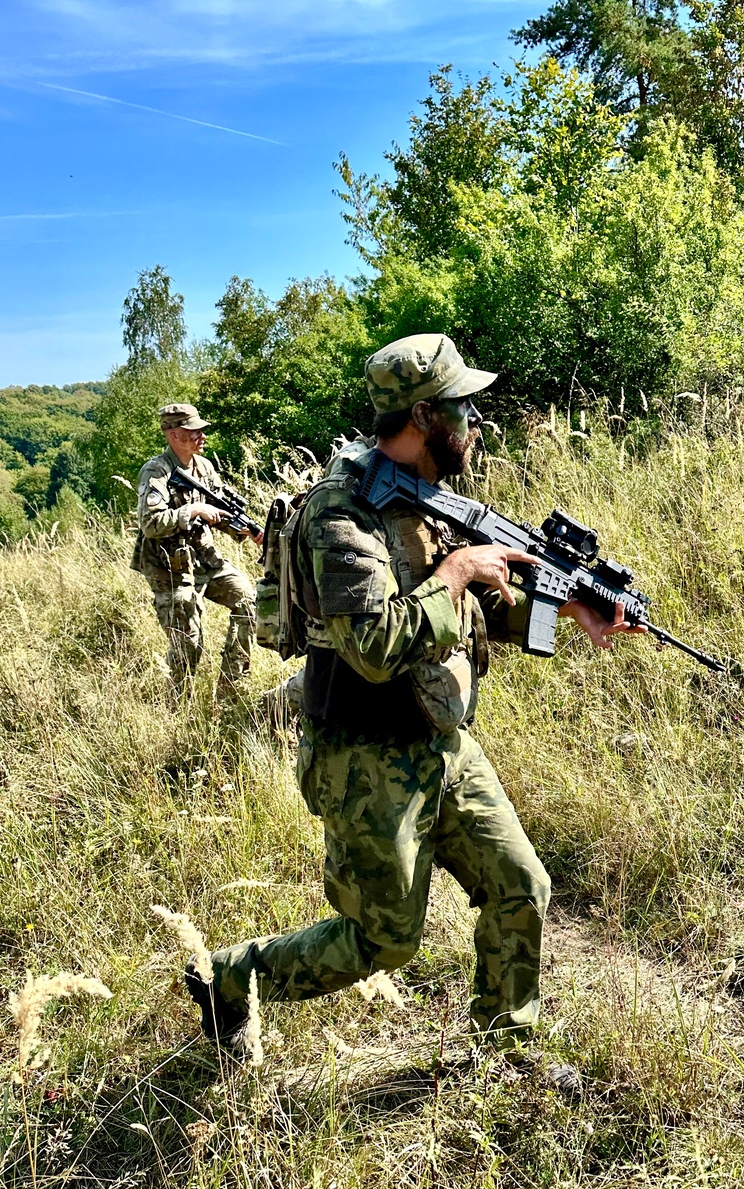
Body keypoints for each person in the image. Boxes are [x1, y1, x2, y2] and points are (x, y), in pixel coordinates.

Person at [184, 334, 640, 1051]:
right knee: (381, 944)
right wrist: (457, 571)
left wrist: (563, 608)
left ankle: (504, 1051)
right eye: (465, 408)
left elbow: (474, 602)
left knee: (521, 885)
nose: (477, 423)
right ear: (426, 416)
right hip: (363, 755)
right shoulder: (340, 513)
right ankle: (228, 977)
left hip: (439, 735)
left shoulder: (431, 498)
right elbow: (372, 647)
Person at [132, 403, 260, 698]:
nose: (201, 435)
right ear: (174, 435)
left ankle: (229, 693)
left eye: (201, 430)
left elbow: (220, 511)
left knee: (249, 602)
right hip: (170, 568)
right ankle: (177, 708)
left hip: (204, 559)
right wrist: (193, 510)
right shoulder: (156, 471)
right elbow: (151, 523)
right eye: (194, 431)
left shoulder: (204, 467)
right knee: (188, 641)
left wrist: (245, 529)